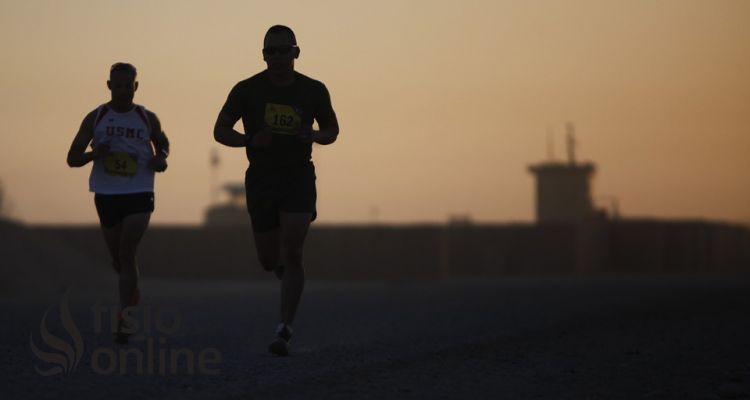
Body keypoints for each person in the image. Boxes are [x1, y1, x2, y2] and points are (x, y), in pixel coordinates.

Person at [214, 25, 339, 356]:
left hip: (298, 177)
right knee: (269, 259)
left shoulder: (314, 90)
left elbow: (332, 130)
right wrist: (248, 140)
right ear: (263, 55)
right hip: (262, 180)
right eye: (271, 51)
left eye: (284, 50)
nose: (278, 57)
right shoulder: (246, 90)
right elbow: (220, 129)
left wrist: (313, 136)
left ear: (296, 52)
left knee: (294, 250)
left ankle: (284, 328)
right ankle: (284, 273)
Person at [67, 62, 170, 344]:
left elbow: (163, 144)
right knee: (118, 258)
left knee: (127, 251)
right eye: (118, 85)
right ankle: (131, 288)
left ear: (136, 86)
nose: (124, 91)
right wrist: (94, 154)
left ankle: (124, 318)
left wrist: (160, 158)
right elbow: (72, 157)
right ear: (109, 86)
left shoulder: (146, 117)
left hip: (139, 190)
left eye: (129, 86)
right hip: (106, 193)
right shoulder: (97, 117)